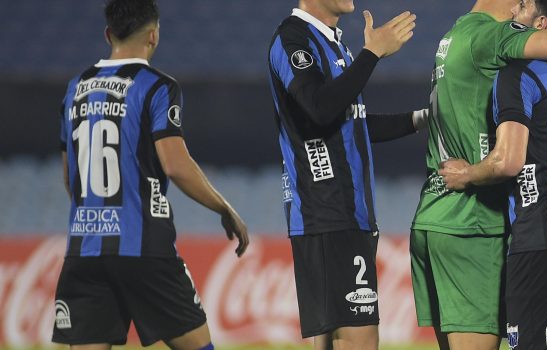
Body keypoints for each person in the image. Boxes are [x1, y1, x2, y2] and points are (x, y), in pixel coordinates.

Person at [52, 1, 249, 349]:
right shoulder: (157, 87)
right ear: (154, 35)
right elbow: (175, 164)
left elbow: (71, 178)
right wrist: (225, 208)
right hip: (144, 251)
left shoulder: (74, 89)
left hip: (83, 252)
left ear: (108, 34)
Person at [409, 0, 547, 349]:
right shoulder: (494, 37)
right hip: (473, 222)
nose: (520, 8)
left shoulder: (456, 33)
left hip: (436, 210)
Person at [267, 1, 425, 349]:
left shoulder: (337, 43)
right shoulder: (292, 39)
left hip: (344, 216)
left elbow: (351, 124)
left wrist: (420, 119)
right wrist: (371, 54)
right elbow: (320, 108)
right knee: (361, 341)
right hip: (326, 213)